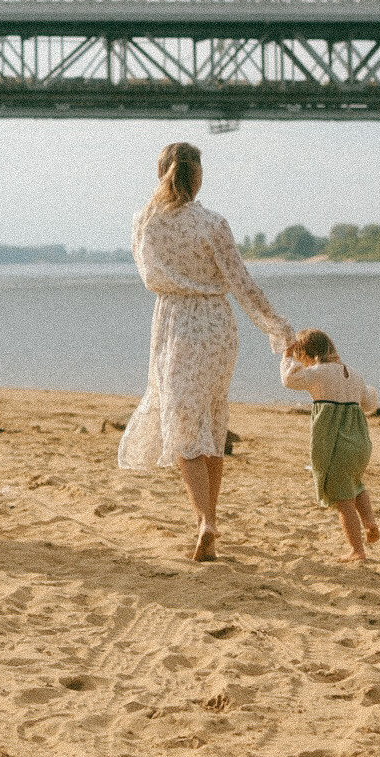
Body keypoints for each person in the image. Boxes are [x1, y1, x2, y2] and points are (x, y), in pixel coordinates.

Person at [119, 141, 295, 562]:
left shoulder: (145, 223)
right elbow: (242, 282)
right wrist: (278, 326)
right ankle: (209, 518)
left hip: (176, 323)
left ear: (160, 173)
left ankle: (205, 521)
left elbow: (148, 276)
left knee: (182, 424)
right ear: (198, 176)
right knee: (212, 420)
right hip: (217, 326)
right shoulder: (213, 223)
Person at [280, 328, 380, 563]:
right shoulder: (353, 373)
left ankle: (357, 550)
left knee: (343, 500)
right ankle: (370, 522)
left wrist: (287, 357)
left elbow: (289, 380)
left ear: (306, 354)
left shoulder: (317, 373)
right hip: (360, 444)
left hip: (337, 445)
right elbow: (369, 403)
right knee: (356, 484)